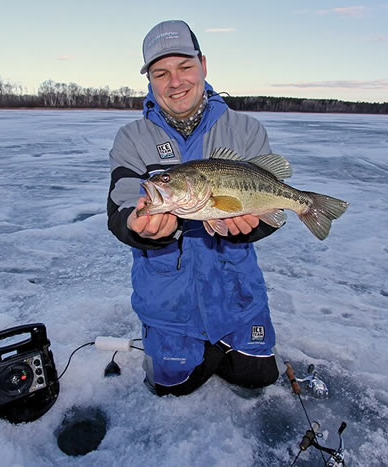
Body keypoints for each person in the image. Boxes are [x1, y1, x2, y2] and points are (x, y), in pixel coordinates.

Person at [107, 20, 284, 396]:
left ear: (203, 64)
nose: (176, 82)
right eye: (161, 73)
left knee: (258, 378)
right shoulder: (131, 139)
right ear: (150, 81)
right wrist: (136, 225)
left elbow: (266, 201)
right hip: (169, 303)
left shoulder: (246, 128)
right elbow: (121, 204)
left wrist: (252, 225)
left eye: (185, 67)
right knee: (171, 388)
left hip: (238, 297)